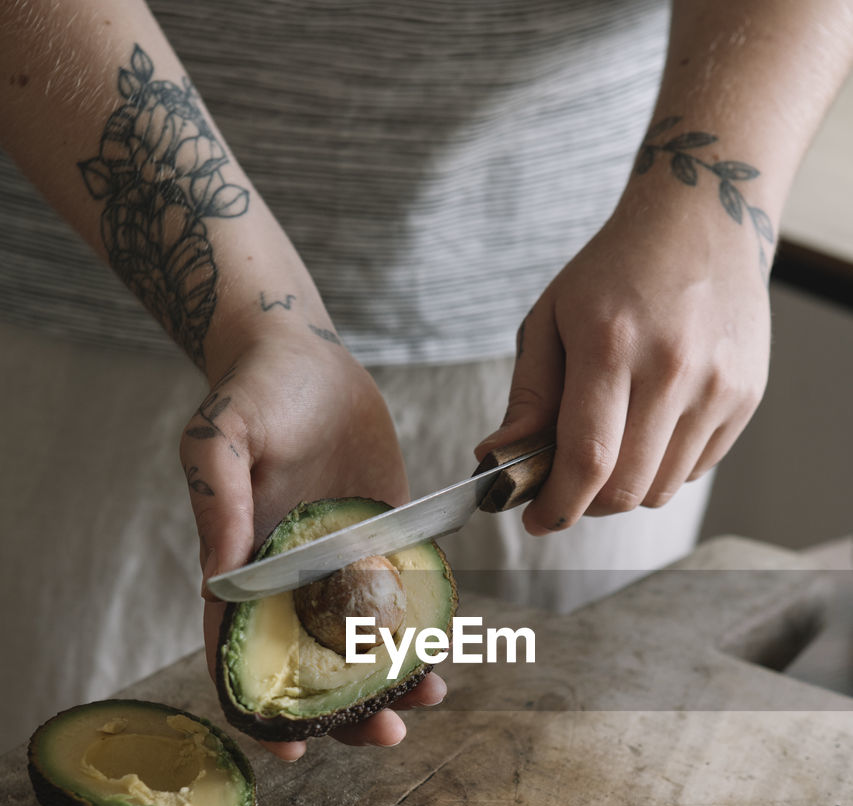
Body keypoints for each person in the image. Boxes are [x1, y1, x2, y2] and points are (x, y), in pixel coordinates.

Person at [1, 0, 851, 759]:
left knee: (566, 777)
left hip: (592, 332)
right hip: (105, 308)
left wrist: (708, 211)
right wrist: (257, 320)